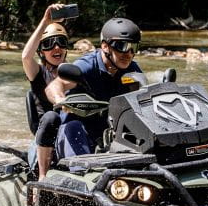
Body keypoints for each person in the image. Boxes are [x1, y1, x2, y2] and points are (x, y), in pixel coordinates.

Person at [45, 17, 143, 159]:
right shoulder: (87, 66)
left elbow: (140, 96)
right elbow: (55, 86)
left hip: (106, 136)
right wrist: (60, 99)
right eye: (122, 46)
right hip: (74, 135)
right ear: (105, 46)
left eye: (133, 47)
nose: (128, 53)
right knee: (73, 127)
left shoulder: (132, 70)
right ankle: (80, 173)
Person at [22, 4, 70, 178]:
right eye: (49, 44)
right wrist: (45, 21)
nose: (56, 48)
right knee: (51, 117)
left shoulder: (74, 71)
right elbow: (26, 57)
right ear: (41, 51)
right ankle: (43, 176)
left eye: (61, 42)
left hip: (70, 127)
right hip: (47, 132)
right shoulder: (38, 72)